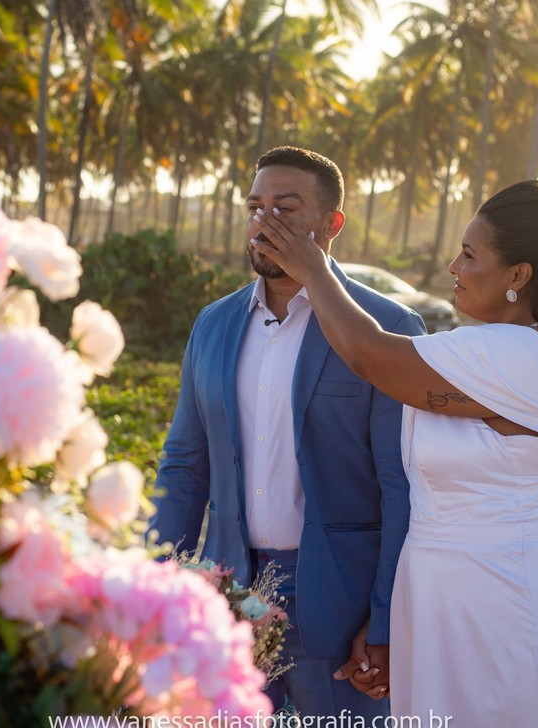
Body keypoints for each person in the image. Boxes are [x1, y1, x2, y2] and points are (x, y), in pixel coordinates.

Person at [251, 179, 538, 726]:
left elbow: (370, 355)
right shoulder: (507, 351)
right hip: (458, 604)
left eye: (469, 254)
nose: (453, 267)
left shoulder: (523, 354)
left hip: (509, 608)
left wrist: (314, 270)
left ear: (518, 275)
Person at [149, 146, 426, 717]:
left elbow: (403, 487)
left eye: (286, 208)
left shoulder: (390, 328)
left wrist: (386, 619)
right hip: (228, 592)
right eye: (255, 207)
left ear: (332, 224)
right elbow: (184, 465)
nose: (265, 222)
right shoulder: (213, 325)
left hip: (337, 600)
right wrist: (157, 587)